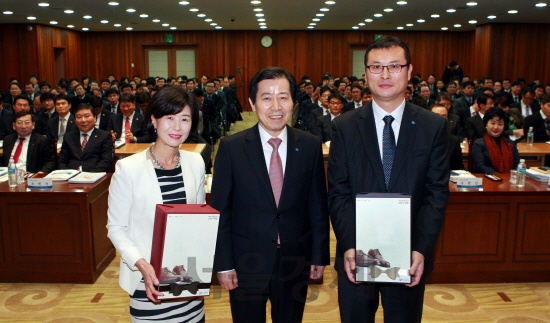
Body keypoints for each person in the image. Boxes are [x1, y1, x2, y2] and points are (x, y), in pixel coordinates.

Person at [328, 36, 449, 323]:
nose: (384, 75)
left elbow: (436, 193)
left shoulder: (433, 126)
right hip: (356, 253)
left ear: (409, 72)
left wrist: (421, 248)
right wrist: (348, 246)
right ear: (366, 73)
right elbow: (338, 193)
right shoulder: (344, 126)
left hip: (409, 254)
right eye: (376, 67)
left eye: (394, 66)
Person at [212, 67, 330, 323]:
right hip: (246, 261)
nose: (276, 106)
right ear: (253, 104)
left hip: (294, 259)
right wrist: (224, 263)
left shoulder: (309, 145)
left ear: (293, 103)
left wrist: (319, 255)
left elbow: (317, 205)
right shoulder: (232, 148)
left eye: (283, 97)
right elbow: (220, 212)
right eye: (267, 98)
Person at [107, 86, 206, 322]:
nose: (177, 127)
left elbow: (199, 219)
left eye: (185, 119)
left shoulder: (196, 162)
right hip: (147, 278)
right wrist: (141, 264)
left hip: (187, 276)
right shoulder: (128, 168)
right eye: (169, 118)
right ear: (153, 119)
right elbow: (116, 228)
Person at [57, 103, 113, 172]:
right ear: (74, 120)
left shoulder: (104, 136)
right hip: (70, 177)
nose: (83, 120)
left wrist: (89, 175)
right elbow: (62, 161)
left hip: (94, 176)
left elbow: (106, 161)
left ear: (95, 118)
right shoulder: (68, 136)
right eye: (79, 117)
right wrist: (65, 174)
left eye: (87, 116)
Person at [471, 107, 519, 174]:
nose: (496, 127)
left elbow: (517, 165)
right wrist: (499, 176)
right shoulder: (479, 144)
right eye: (493, 123)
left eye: (500, 124)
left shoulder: (510, 143)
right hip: (487, 180)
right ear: (486, 124)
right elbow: (480, 166)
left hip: (509, 180)